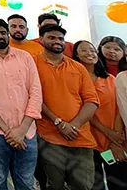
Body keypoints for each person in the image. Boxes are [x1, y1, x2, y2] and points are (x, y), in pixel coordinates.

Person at [0, 19, 42, 190]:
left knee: (26, 180)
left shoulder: (24, 57)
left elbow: (36, 92)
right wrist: (7, 131)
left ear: (8, 33)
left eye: (3, 33)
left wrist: (22, 130)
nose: (0, 36)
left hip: (27, 130)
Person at [34, 24, 99, 190]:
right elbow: (33, 97)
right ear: (41, 39)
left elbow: (91, 101)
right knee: (54, 185)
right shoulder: (32, 64)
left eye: (60, 38)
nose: (57, 41)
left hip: (80, 137)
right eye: (51, 37)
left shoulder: (78, 67)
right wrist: (59, 123)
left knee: (83, 185)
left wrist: (73, 126)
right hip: (49, 137)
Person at [72, 40, 127, 190]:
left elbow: (120, 109)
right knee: (94, 185)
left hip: (115, 139)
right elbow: (81, 110)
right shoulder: (74, 80)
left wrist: (115, 140)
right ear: (76, 55)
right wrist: (107, 132)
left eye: (92, 50)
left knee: (120, 182)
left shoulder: (111, 79)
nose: (89, 54)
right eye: (84, 50)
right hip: (88, 140)